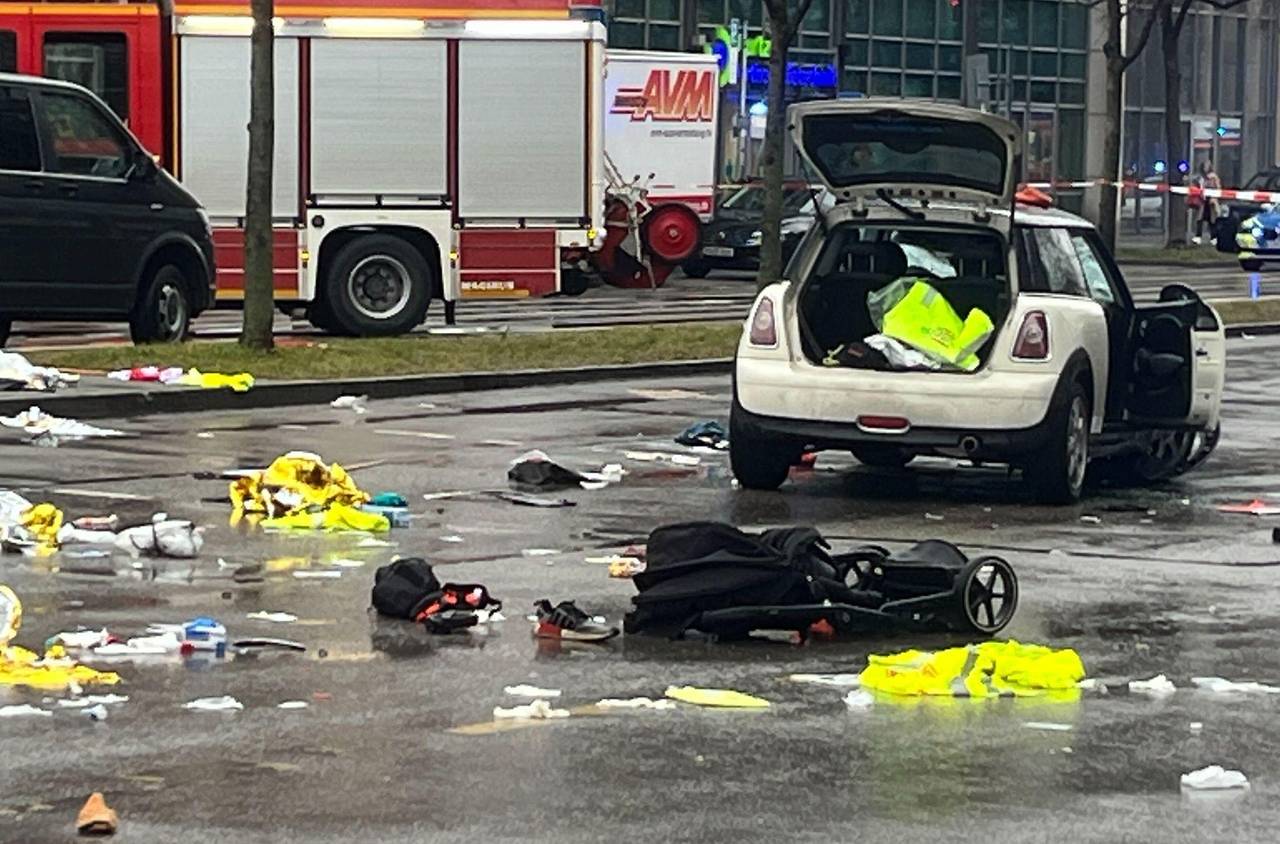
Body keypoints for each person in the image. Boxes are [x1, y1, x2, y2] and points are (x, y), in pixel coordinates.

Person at [1194, 159, 1221, 243]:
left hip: (1211, 199)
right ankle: (1198, 236)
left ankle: (1214, 237)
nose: (1206, 167)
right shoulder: (1201, 177)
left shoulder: (1213, 177)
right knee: (1200, 218)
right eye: (1204, 166)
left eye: (1207, 166)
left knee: (1211, 219)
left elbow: (1218, 187)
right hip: (1203, 200)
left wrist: (1214, 197)